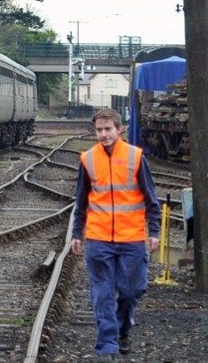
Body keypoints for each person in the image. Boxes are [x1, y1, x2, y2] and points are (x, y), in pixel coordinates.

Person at [71, 107, 161, 361]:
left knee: (132, 291)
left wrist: (154, 231)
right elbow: (81, 200)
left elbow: (151, 199)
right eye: (99, 130)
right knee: (102, 294)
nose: (103, 134)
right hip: (98, 238)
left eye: (108, 129)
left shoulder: (136, 157)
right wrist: (77, 233)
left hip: (132, 237)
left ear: (119, 130)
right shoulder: (88, 159)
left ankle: (123, 329)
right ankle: (107, 346)